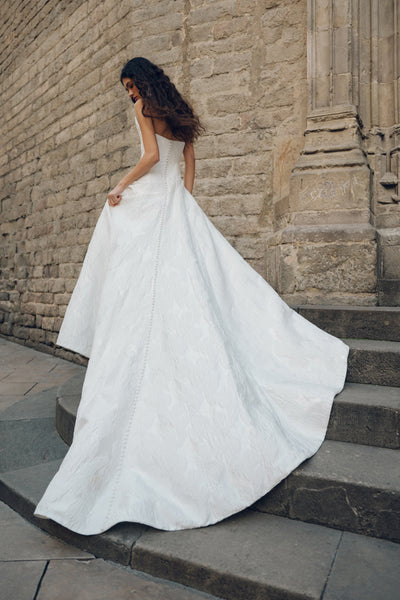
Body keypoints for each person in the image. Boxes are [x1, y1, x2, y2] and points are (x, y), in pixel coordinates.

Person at [33, 57, 349, 535]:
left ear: (139, 82)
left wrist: (119, 186)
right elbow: (187, 163)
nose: (129, 95)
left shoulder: (144, 110)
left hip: (158, 204)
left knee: (136, 265)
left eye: (129, 87)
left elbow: (152, 159)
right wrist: (185, 204)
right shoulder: (179, 111)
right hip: (178, 205)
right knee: (196, 289)